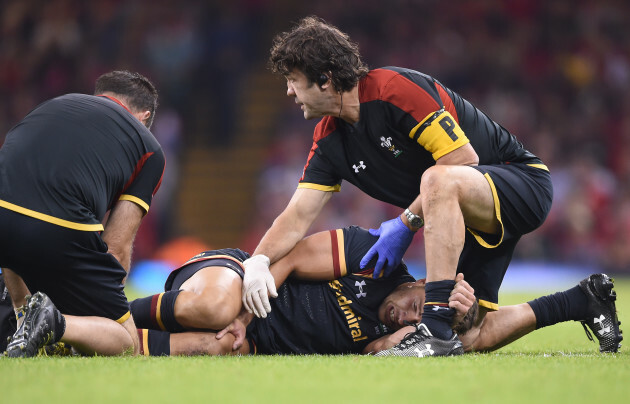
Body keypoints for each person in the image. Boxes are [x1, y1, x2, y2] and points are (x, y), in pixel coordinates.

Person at [241, 16, 556, 356]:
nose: (289, 91)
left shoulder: (393, 89)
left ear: (324, 79)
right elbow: (297, 214)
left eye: (293, 80)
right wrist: (258, 261)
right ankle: (582, 301)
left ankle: (432, 327)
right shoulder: (329, 139)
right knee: (469, 334)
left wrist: (407, 222)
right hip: (465, 220)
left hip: (521, 184)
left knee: (438, 178)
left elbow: (463, 160)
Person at [129, 226, 620, 356]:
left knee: (211, 348)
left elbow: (463, 339)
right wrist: (244, 316)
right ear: (421, 282)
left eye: (416, 324)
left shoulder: (391, 335)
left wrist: (459, 318)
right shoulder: (371, 255)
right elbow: (295, 256)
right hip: (237, 278)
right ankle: (113, 310)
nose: (406, 319)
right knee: (217, 311)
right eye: (414, 307)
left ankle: (86, 335)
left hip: (251, 341)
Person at [0, 70, 165, 357]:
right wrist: (101, 311)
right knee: (126, 342)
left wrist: (21, 305)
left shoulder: (54, 104)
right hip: (60, 226)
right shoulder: (149, 148)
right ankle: (56, 324)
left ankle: (24, 324)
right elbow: (117, 247)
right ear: (144, 117)